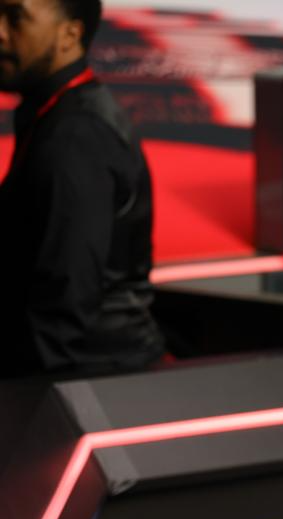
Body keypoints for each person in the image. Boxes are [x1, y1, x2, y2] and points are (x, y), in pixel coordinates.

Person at [0, 0, 163, 379]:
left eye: (16, 17)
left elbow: (61, 312)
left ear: (70, 34)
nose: (0, 32)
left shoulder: (74, 137)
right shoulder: (61, 115)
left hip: (90, 383)